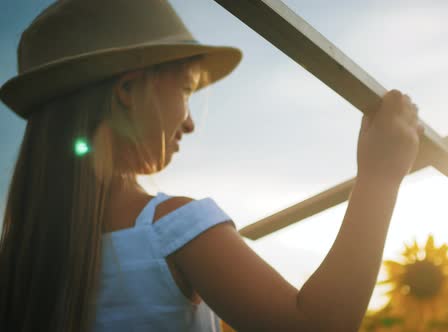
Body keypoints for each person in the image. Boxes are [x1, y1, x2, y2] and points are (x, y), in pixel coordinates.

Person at [0, 0, 423, 331]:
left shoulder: (18, 265)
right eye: (185, 89)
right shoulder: (172, 230)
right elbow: (317, 324)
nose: (189, 121)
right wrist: (380, 177)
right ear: (128, 89)